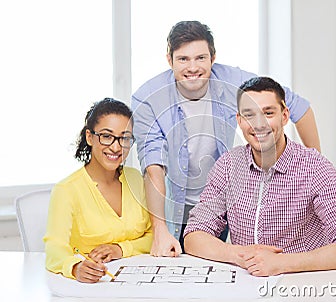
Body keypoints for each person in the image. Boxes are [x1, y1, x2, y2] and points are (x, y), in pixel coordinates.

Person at [132, 20, 321, 257]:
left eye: (200, 58)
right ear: (169, 60)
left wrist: (316, 167)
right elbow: (152, 165)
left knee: (221, 271)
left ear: (213, 57)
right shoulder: (147, 98)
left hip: (221, 202)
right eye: (183, 59)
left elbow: (299, 107)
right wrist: (159, 229)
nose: (193, 67)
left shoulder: (233, 81)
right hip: (171, 207)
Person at [183, 77, 336, 276]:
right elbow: (194, 235)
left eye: (268, 113)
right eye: (249, 115)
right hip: (246, 285)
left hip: (302, 285)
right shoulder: (228, 166)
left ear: (284, 115)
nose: (259, 124)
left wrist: (282, 263)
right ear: (239, 120)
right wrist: (240, 254)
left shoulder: (315, 168)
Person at [44, 98, 152, 283]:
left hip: (138, 281)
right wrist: (75, 267)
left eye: (125, 138)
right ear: (89, 137)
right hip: (93, 285)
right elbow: (54, 250)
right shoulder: (66, 190)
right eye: (107, 136)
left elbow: (154, 236)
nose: (116, 147)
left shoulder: (135, 179)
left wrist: (120, 249)